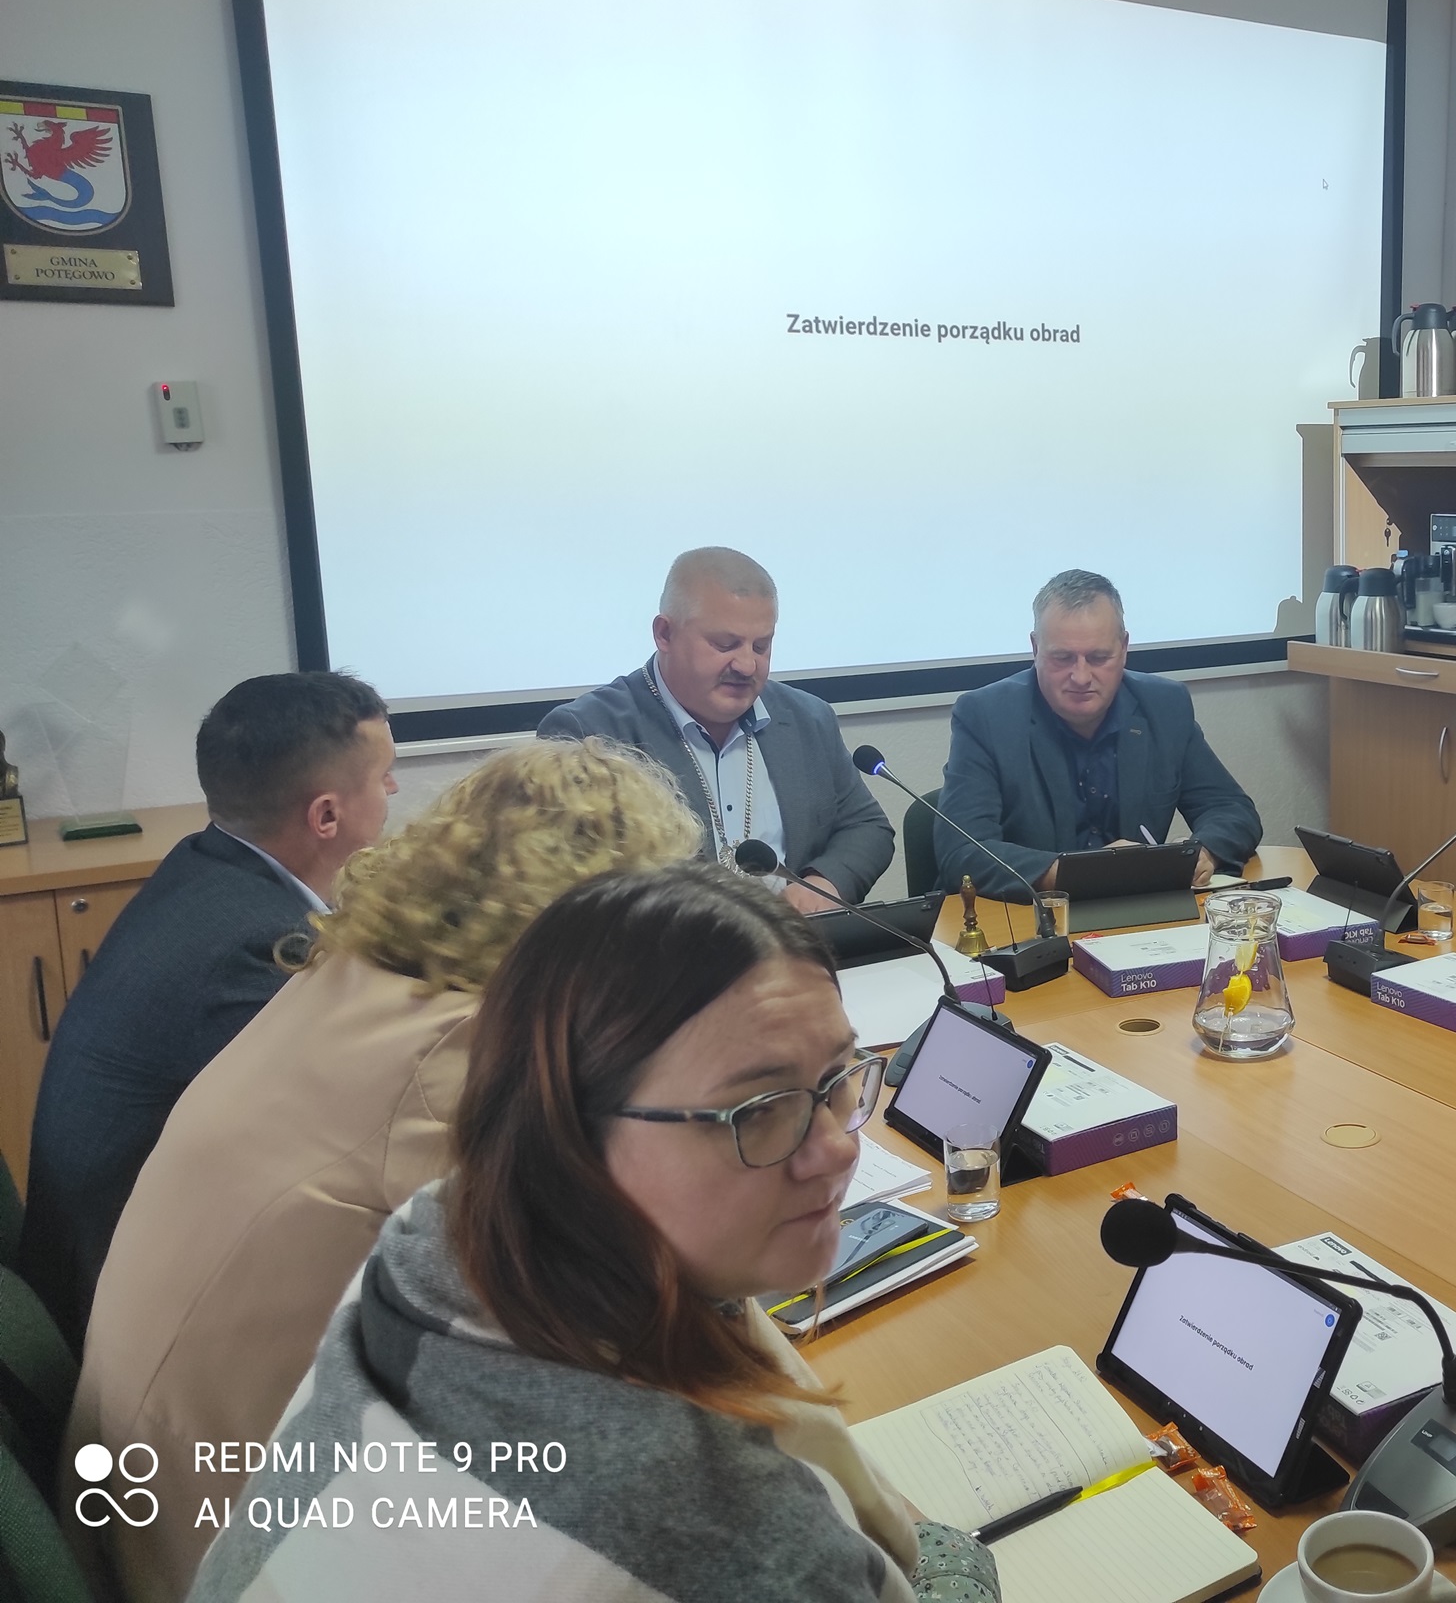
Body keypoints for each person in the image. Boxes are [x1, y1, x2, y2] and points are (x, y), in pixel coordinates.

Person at [188, 866, 996, 1603]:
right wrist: (955, 1559)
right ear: (573, 1134)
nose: (838, 1148)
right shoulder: (732, 1534)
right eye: (758, 1110)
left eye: (839, 1080)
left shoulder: (438, 1233)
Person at [70, 739, 701, 1603]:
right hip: (224, 1536)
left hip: (143, 1482)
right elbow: (606, 1329)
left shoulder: (353, 975)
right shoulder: (459, 1067)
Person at [21, 670, 395, 1347]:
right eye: (385, 776)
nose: (394, 791)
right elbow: (356, 1138)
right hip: (119, 1311)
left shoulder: (204, 863)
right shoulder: (258, 949)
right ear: (326, 816)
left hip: (91, 1254)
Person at [538, 546, 892, 907]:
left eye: (761, 646)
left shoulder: (808, 718)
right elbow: (572, 886)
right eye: (726, 644)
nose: (746, 665)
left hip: (797, 938)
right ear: (665, 634)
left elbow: (866, 826)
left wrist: (821, 886)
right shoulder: (588, 734)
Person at [936, 569, 1261, 898]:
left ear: (1124, 647)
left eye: (1098, 657)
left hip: (1142, 913)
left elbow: (1231, 809)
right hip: (1033, 915)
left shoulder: (1165, 706)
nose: (1080, 676)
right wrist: (1086, 874)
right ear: (1035, 648)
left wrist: (1201, 853)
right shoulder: (986, 716)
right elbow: (962, 851)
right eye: (1062, 658)